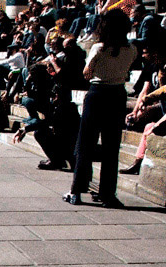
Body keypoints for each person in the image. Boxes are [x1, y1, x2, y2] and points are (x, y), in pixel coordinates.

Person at [64, 9, 137, 207]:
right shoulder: (131, 49)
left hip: (97, 93)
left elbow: (87, 74)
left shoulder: (98, 48)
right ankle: (108, 194)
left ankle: (76, 190)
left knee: (85, 144)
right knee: (111, 148)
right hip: (118, 94)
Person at [121, 63, 166, 175]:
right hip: (160, 110)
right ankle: (138, 161)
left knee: (149, 127)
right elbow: (147, 92)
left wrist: (156, 125)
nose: (160, 78)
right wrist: (136, 111)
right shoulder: (152, 67)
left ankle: (138, 162)